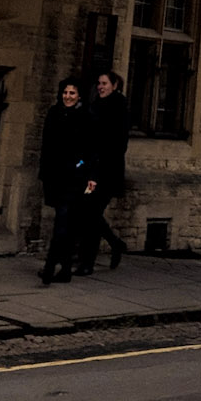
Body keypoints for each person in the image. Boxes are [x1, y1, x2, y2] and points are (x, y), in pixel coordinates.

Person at [39, 75, 94, 285]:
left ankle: (50, 266)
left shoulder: (85, 116)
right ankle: (66, 269)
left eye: (72, 93)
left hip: (73, 178)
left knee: (62, 222)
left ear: (79, 95)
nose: (68, 96)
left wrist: (79, 167)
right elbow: (47, 144)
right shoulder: (54, 113)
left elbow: (89, 151)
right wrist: (45, 171)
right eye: (65, 93)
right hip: (54, 176)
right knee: (66, 224)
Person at [76, 69, 130, 275]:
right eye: (99, 83)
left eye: (105, 83)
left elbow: (118, 144)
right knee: (87, 211)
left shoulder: (119, 108)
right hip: (91, 172)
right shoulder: (95, 106)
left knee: (91, 212)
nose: (100, 86)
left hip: (107, 173)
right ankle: (114, 243)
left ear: (115, 85)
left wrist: (100, 163)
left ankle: (87, 262)